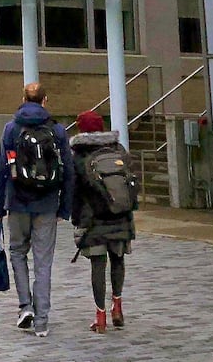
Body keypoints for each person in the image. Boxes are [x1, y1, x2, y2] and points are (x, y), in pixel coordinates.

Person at [0, 82, 73, 337]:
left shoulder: (11, 128)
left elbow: (2, 170)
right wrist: (65, 208)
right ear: (45, 100)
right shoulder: (57, 130)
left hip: (17, 202)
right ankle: (42, 322)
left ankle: (25, 306)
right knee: (43, 262)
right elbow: (68, 171)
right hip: (47, 204)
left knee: (18, 253)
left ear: (23, 98)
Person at [69, 110, 137, 333]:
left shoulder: (79, 154)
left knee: (98, 265)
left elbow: (75, 192)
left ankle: (100, 318)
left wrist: (76, 220)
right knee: (118, 260)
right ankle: (117, 307)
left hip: (93, 220)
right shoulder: (118, 149)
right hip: (120, 216)